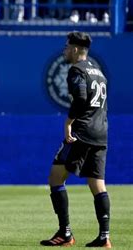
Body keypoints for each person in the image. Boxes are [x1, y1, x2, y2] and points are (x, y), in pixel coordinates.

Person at [40, 31, 111, 248]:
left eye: (67, 46)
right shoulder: (99, 73)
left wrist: (68, 122)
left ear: (77, 49)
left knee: (55, 178)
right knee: (97, 184)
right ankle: (104, 236)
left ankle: (65, 233)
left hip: (82, 132)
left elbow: (80, 99)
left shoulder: (76, 70)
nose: (64, 50)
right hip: (101, 133)